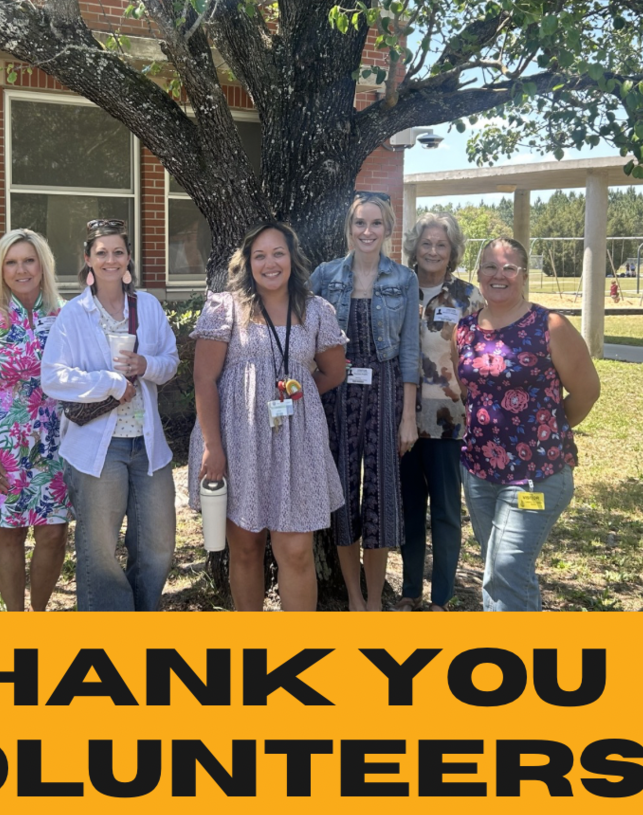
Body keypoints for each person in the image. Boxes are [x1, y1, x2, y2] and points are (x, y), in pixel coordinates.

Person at [189, 221, 348, 611]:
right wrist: (213, 446)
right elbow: (204, 380)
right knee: (245, 547)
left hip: (298, 443)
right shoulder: (225, 308)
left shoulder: (317, 311)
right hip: (237, 440)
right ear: (247, 263)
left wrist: (298, 395)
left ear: (292, 257)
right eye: (259, 255)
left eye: (278, 253)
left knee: (296, 551)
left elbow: (333, 372)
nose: (270, 263)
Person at [40, 219, 179, 611]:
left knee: (158, 542)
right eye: (101, 253)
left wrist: (145, 364)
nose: (110, 260)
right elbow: (53, 378)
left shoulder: (148, 306)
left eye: (118, 252)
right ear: (87, 259)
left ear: (129, 257)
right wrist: (109, 382)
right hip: (96, 448)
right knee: (99, 549)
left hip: (148, 446)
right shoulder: (73, 313)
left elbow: (170, 362)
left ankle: (142, 614)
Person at [457, 238, 601, 611]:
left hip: (536, 473)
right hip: (478, 470)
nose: (498, 274)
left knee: (506, 567)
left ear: (523, 275)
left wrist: (546, 433)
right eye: (490, 266)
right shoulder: (465, 330)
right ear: (478, 274)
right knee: (499, 568)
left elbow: (586, 392)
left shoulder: (549, 325)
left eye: (509, 267)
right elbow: (467, 392)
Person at [310, 191, 419, 611]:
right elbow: (306, 335)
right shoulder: (325, 276)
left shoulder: (403, 279)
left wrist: (408, 417)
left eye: (376, 224)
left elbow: (409, 350)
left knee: (381, 498)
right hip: (336, 393)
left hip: (386, 392)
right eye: (360, 223)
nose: (367, 231)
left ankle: (374, 601)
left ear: (388, 229)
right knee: (342, 494)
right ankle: (353, 597)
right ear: (349, 228)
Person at [0, 228, 70, 612]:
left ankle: (38, 616)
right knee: (9, 533)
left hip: (55, 439)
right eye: (11, 262)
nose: (21, 269)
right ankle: (15, 619)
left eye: (29, 260)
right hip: (2, 441)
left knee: (54, 533)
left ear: (43, 265)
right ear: (1, 269)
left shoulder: (65, 313)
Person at [396, 211, 484, 612]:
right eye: (427, 243)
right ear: (415, 247)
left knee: (447, 512)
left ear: (452, 252)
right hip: (402, 419)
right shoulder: (396, 289)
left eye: (441, 245)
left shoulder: (469, 298)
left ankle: (442, 596)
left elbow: (484, 357)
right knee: (410, 510)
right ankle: (410, 591)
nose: (433, 251)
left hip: (451, 423)